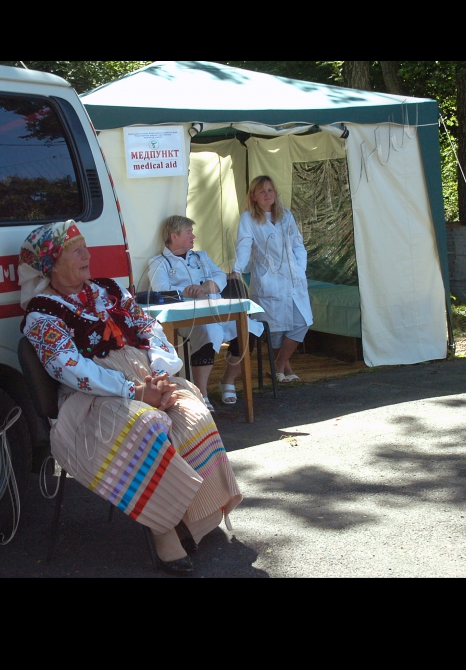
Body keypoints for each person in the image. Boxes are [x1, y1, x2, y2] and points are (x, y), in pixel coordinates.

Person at [18, 220, 242, 575]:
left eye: (85, 247)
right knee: (149, 426)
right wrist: (135, 391)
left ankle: (197, 513)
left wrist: (161, 371)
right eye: (77, 251)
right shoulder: (42, 313)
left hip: (146, 379)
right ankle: (163, 529)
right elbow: (69, 367)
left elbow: (146, 326)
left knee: (193, 412)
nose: (87, 255)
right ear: (52, 262)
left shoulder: (108, 290)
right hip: (93, 400)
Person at [147, 215, 262, 409]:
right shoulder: (159, 262)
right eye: (189, 232)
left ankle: (227, 380)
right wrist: (185, 291)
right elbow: (160, 288)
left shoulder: (201, 256)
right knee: (209, 333)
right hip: (187, 318)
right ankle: (201, 392)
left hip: (216, 310)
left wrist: (210, 285)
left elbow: (220, 276)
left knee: (248, 330)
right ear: (174, 236)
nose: (194, 236)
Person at [228, 176, 313, 382]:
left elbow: (297, 245)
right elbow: (244, 245)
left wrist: (300, 269)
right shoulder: (249, 218)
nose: (267, 194)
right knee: (275, 329)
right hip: (268, 278)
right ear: (253, 196)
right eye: (262, 191)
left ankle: (278, 367)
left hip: (293, 277)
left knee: (302, 322)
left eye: (270, 190)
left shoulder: (286, 215)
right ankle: (284, 371)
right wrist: (237, 269)